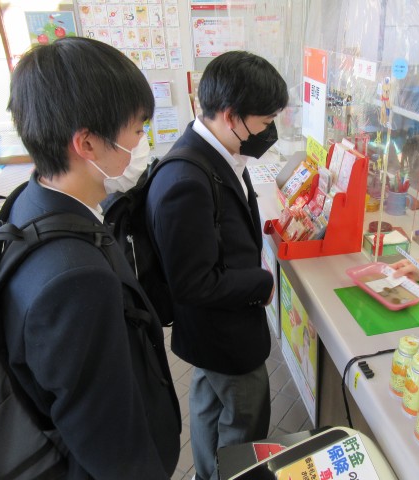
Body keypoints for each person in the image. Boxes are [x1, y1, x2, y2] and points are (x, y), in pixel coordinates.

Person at [5, 37, 180, 478]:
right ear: (86, 143)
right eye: (137, 130)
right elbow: (106, 439)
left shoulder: (29, 201)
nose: (143, 143)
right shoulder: (75, 279)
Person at [146, 50, 288, 480]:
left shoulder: (216, 154)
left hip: (212, 334)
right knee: (245, 418)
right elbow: (192, 283)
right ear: (231, 116)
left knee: (209, 404)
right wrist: (260, 283)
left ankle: (208, 473)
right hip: (222, 333)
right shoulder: (186, 180)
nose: (269, 132)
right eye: (265, 122)